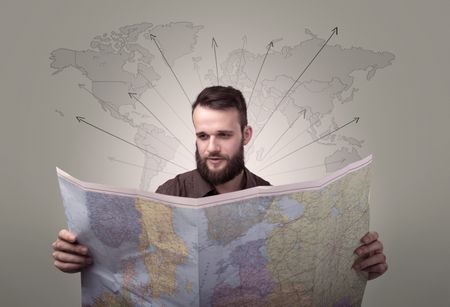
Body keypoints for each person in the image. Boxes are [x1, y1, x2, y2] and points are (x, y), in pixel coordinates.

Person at [52, 86, 388, 280]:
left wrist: (355, 267)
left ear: (246, 135)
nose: (211, 148)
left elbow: (299, 275)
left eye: (224, 135)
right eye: (202, 136)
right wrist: (85, 257)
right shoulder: (169, 194)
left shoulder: (273, 201)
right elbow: (134, 265)